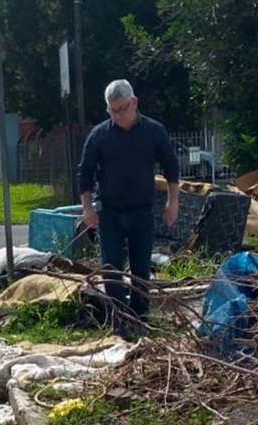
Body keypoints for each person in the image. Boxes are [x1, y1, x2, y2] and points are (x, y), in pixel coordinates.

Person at [78, 79, 179, 331]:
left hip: (141, 211)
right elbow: (85, 172)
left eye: (122, 109)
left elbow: (171, 166)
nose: (118, 115)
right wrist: (88, 208)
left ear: (134, 103)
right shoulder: (99, 135)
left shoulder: (153, 131)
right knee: (110, 268)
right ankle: (117, 321)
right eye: (113, 110)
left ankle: (140, 318)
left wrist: (172, 202)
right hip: (109, 213)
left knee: (140, 268)